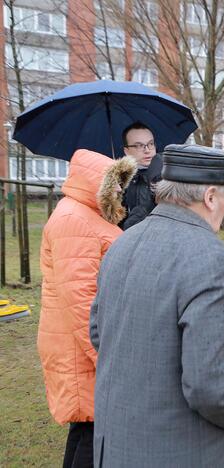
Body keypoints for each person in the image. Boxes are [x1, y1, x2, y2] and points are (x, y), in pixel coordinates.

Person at [89, 144, 224, 466]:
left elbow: (98, 333)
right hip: (179, 450)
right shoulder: (210, 258)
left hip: (116, 444)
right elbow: (212, 387)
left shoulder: (122, 243)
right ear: (210, 198)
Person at [37, 150, 136, 468]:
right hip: (81, 349)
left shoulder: (88, 215)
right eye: (116, 184)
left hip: (86, 345)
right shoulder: (72, 221)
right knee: (92, 428)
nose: (122, 190)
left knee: (88, 426)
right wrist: (107, 358)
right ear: (97, 182)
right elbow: (80, 302)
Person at [120, 121, 162, 229]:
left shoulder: (169, 176)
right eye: (139, 146)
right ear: (126, 150)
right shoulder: (120, 181)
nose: (147, 150)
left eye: (151, 144)